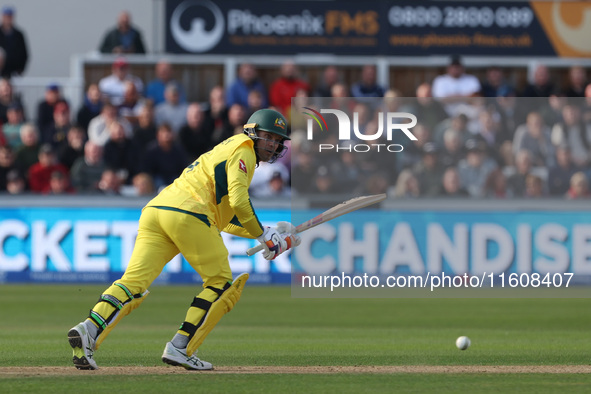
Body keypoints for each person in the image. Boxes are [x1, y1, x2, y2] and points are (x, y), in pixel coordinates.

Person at [67, 108, 300, 371]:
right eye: (268, 136)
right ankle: (181, 347)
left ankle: (89, 329)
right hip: (190, 214)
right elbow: (238, 199)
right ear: (252, 132)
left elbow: (224, 218)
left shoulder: (228, 148)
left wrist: (269, 230)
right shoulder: (244, 149)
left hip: (157, 211)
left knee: (133, 283)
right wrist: (264, 235)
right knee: (221, 284)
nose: (273, 144)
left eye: (277, 139)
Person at [0, 6, 28, 78]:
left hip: (14, 73)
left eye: (10, 16)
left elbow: (24, 53)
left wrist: (20, 69)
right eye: (6, 16)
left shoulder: (19, 34)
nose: (8, 19)